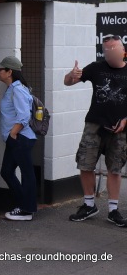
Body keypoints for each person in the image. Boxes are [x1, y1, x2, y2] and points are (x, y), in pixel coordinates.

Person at [64, 34, 127, 226]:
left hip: (120, 129)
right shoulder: (96, 68)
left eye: (113, 49)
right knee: (85, 164)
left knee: (114, 169)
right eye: (106, 50)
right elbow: (67, 82)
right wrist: (71, 75)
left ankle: (113, 210)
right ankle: (89, 204)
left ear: (122, 50)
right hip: (94, 125)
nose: (109, 53)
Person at [0, 56, 38, 221]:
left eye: (0, 69)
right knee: (6, 171)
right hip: (17, 138)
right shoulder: (14, 88)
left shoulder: (17, 89)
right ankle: (23, 204)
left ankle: (27, 210)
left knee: (27, 173)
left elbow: (24, 116)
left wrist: (13, 133)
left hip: (20, 138)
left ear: (9, 71)